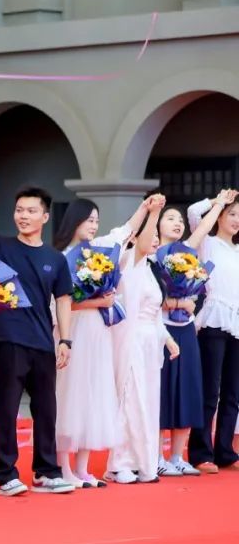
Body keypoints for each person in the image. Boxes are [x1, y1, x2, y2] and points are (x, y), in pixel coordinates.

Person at [0, 186, 76, 496]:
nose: (23, 216)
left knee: (46, 409)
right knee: (7, 407)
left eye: (30, 211)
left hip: (42, 340)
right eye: (19, 210)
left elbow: (63, 299)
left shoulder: (55, 259)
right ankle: (6, 475)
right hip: (7, 338)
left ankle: (46, 471)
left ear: (45, 216)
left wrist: (65, 340)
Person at [51, 197, 151, 487]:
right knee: (69, 395)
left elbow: (124, 232)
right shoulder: (61, 257)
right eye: (89, 220)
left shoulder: (98, 251)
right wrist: (96, 301)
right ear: (75, 220)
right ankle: (63, 467)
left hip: (97, 331)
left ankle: (82, 468)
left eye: (96, 220)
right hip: (72, 331)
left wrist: (145, 209)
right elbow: (59, 304)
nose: (94, 225)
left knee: (94, 394)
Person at [155, 191, 235, 476]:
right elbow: (149, 298)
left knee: (189, 389)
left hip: (188, 327)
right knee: (166, 391)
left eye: (178, 220)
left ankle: (179, 456)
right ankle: (159, 456)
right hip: (162, 328)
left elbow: (197, 230)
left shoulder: (188, 252)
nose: (177, 223)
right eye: (170, 218)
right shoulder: (154, 256)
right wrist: (218, 202)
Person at [106, 195, 179, 483]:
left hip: (151, 342)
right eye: (151, 235)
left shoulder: (152, 271)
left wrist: (168, 340)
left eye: (157, 236)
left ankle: (143, 462)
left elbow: (156, 315)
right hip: (131, 338)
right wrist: (153, 212)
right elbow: (144, 243)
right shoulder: (129, 263)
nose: (155, 240)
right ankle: (119, 464)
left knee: (147, 401)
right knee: (130, 398)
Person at [187, 190, 239, 473]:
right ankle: (201, 452)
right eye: (232, 214)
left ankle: (225, 451)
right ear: (219, 217)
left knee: (233, 392)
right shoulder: (207, 243)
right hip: (214, 320)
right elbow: (193, 213)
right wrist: (218, 201)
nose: (236, 220)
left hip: (237, 322)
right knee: (210, 389)